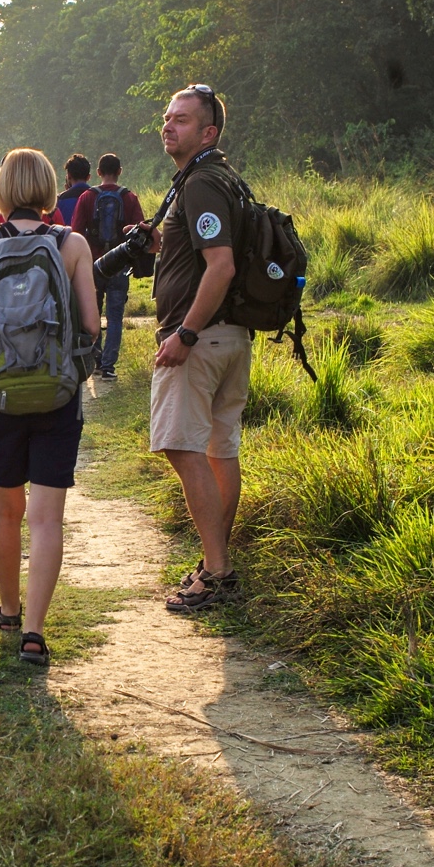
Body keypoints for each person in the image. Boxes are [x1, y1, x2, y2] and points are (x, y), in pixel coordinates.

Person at [0, 148, 100, 666]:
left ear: (2, 190)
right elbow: (93, 328)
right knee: (47, 519)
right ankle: (34, 632)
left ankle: (8, 610)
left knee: (5, 510)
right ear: (51, 189)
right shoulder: (71, 243)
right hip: (58, 394)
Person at [148, 85, 248, 614]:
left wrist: (184, 334)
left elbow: (222, 265)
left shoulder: (203, 184)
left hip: (200, 340)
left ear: (208, 132)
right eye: (167, 118)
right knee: (218, 449)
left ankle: (216, 571)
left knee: (181, 450)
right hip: (230, 336)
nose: (169, 126)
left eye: (182, 120)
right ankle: (216, 561)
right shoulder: (220, 178)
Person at [69, 153, 150, 380]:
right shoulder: (129, 197)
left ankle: (95, 360)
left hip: (93, 266)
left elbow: (75, 232)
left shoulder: (86, 197)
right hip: (120, 265)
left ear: (98, 172)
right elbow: (140, 232)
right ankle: (108, 367)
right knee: (115, 317)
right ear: (120, 171)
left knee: (91, 313)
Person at [50, 153, 94, 229]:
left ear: (69, 176)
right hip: (91, 240)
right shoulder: (96, 196)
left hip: (67, 239)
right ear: (88, 177)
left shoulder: (59, 200)